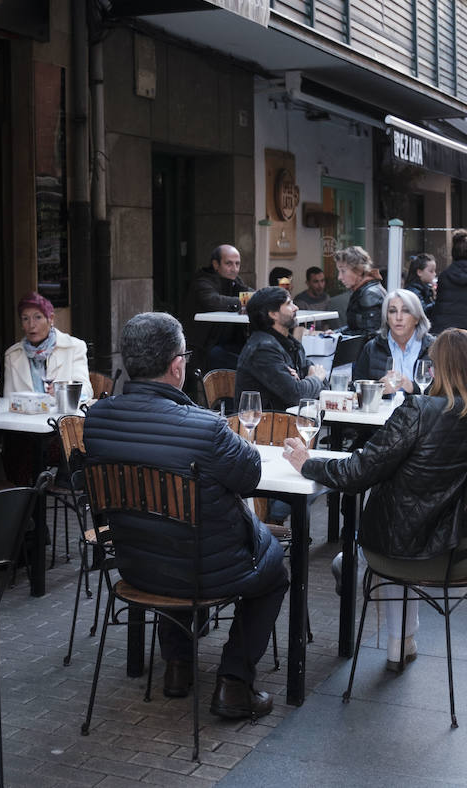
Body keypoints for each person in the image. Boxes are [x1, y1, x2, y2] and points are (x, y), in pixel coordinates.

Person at [84, 312, 288, 718]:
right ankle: (234, 683)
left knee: (171, 534)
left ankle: (178, 666)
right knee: (275, 568)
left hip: (135, 566)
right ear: (178, 365)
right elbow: (250, 477)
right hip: (204, 570)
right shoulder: (205, 427)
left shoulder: (97, 419)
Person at [282, 329, 467, 669]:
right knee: (401, 531)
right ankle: (401, 640)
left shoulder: (420, 410)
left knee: (369, 549)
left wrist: (308, 463)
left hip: (407, 550)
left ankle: (393, 632)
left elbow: (357, 474)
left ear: (441, 370)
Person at [235, 286, 326, 410]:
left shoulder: (290, 343)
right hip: (264, 425)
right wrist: (316, 378)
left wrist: (312, 379)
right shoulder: (262, 350)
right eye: (289, 304)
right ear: (273, 314)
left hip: (287, 420)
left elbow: (322, 383)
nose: (296, 308)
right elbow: (297, 394)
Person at [2, 291, 91, 398]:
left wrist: (64, 391)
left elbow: (86, 391)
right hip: (25, 415)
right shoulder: (12, 355)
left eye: (38, 317)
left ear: (51, 319)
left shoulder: (74, 347)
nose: (31, 325)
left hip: (63, 414)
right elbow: (8, 400)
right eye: (25, 319)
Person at [181, 243, 251, 373]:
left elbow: (250, 294)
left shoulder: (235, 281)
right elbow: (213, 301)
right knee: (249, 367)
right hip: (205, 348)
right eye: (229, 263)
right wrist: (246, 301)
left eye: (237, 264)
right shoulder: (202, 281)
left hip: (230, 344)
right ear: (215, 264)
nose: (234, 268)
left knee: (255, 355)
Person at [352, 289, 433, 395]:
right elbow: (355, 391)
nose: (398, 317)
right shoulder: (372, 348)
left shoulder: (434, 348)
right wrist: (378, 389)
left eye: (406, 311)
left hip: (421, 411)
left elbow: (446, 394)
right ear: (386, 317)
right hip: (382, 411)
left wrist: (413, 387)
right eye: (392, 311)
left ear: (417, 318)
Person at [334, 245, 386, 335]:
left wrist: (339, 336)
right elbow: (357, 327)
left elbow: (370, 335)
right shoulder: (364, 290)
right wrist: (336, 333)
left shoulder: (369, 294)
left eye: (343, 271)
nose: (339, 277)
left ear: (358, 270)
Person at [293, 265, 331, 329]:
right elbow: (299, 328)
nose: (320, 285)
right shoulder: (300, 301)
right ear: (308, 283)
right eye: (316, 282)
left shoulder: (326, 298)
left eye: (322, 281)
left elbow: (327, 322)